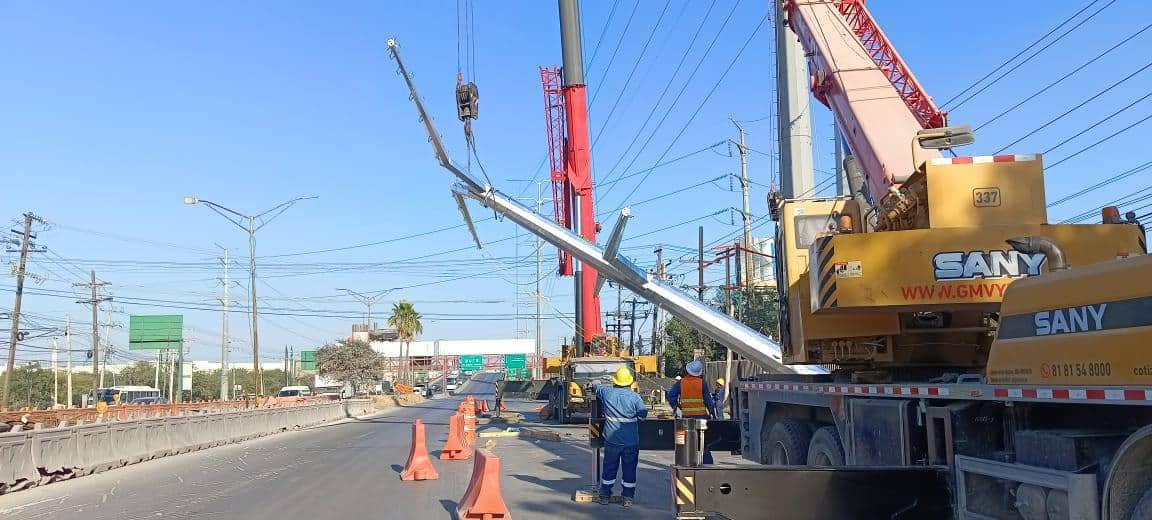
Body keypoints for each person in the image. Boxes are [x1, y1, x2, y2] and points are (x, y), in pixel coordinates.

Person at [595, 367, 648, 508]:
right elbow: (643, 414)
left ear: (615, 382)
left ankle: (605, 496)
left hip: (612, 440)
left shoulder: (607, 393)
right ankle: (628, 498)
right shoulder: (635, 397)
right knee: (629, 469)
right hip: (631, 441)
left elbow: (597, 387)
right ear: (629, 383)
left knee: (609, 468)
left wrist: (595, 382)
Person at [666, 360, 716, 463]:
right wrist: (712, 413)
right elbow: (708, 400)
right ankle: (708, 466)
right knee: (704, 444)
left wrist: (676, 406)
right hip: (702, 418)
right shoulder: (702, 383)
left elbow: (671, 395)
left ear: (688, 371)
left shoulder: (681, 382)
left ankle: (687, 464)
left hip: (687, 419)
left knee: (687, 443)